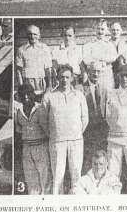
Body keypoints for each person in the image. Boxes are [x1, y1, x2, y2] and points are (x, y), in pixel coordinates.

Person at [42, 65, 89, 194]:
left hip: (76, 141)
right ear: (57, 78)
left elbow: (85, 118)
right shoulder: (49, 96)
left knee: (76, 174)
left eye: (67, 77)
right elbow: (43, 120)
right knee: (57, 176)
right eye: (61, 77)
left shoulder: (79, 95)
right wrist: (55, 134)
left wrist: (76, 133)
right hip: (57, 142)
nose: (64, 80)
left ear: (72, 78)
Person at [14, 84, 52, 195]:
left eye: (28, 94)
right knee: (31, 182)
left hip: (41, 147)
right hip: (27, 149)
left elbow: (47, 130)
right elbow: (19, 131)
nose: (26, 97)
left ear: (33, 94)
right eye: (23, 94)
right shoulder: (18, 111)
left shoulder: (40, 109)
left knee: (45, 180)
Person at [81, 62, 109, 173]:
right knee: (88, 161)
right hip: (88, 130)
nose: (96, 74)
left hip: (102, 130)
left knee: (102, 160)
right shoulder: (81, 89)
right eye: (93, 71)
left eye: (98, 71)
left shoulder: (104, 89)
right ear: (88, 72)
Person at [15, 25, 53, 94]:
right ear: (27, 35)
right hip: (27, 82)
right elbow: (18, 71)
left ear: (39, 35)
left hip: (41, 81)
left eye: (35, 34)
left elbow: (48, 69)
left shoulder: (45, 49)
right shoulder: (21, 50)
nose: (32, 36)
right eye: (30, 34)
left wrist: (49, 85)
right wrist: (21, 86)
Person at [82, 20, 118, 89]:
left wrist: (96, 57)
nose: (100, 31)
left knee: (107, 95)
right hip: (93, 76)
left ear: (106, 30)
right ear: (95, 29)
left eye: (102, 29)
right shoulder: (89, 44)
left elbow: (113, 58)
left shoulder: (110, 44)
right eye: (98, 28)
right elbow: (86, 60)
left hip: (107, 76)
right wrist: (103, 60)